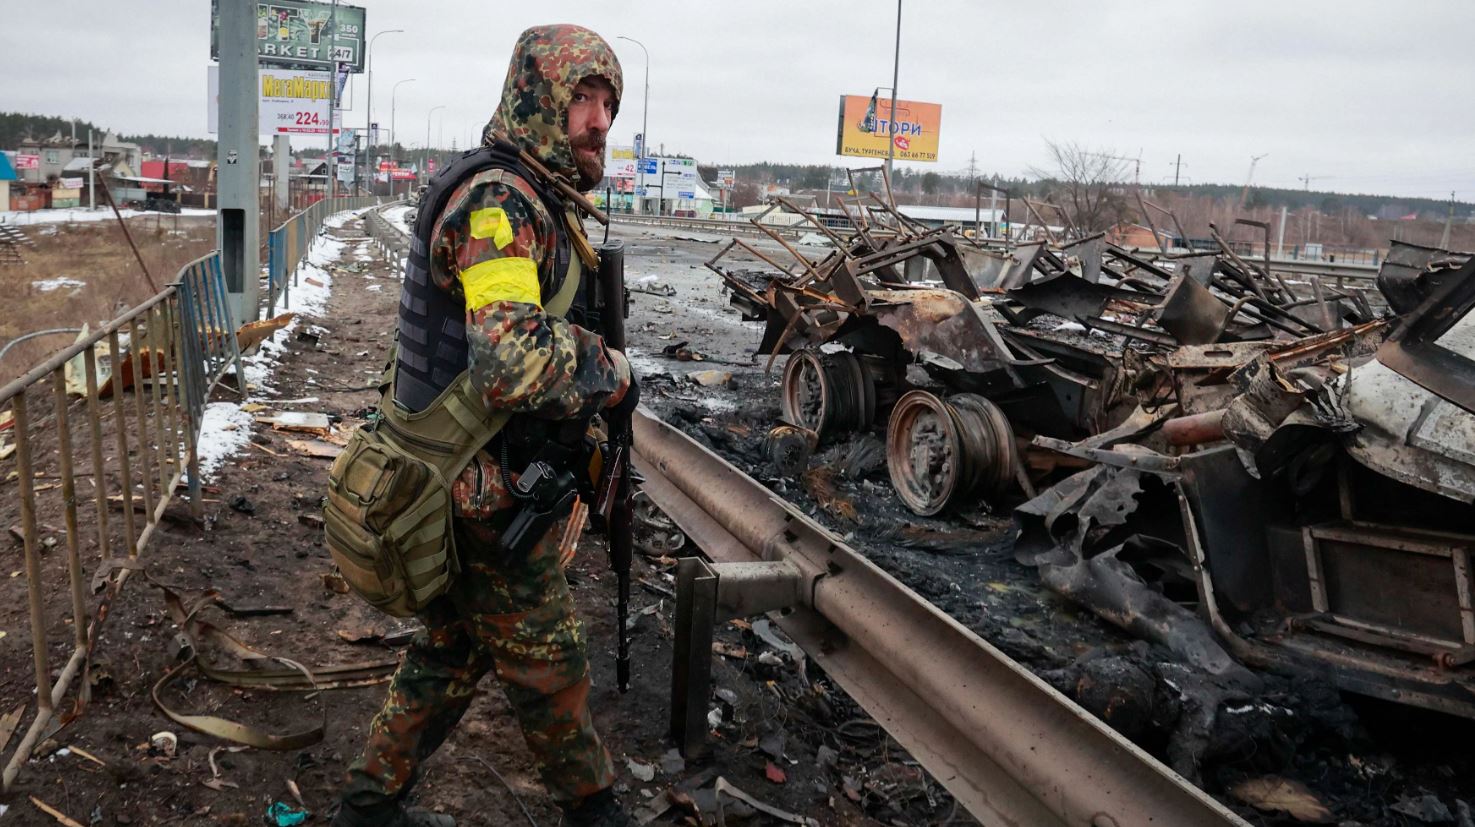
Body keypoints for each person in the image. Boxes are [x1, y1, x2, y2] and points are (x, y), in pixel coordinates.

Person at [331, 24, 637, 827]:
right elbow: (509, 358)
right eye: (580, 98)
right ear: (536, 98)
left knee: (452, 650)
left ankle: (366, 805)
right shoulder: (499, 204)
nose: (599, 120)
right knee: (547, 659)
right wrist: (613, 368)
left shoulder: (531, 196)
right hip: (472, 484)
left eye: (608, 102)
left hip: (472, 473)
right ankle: (595, 807)